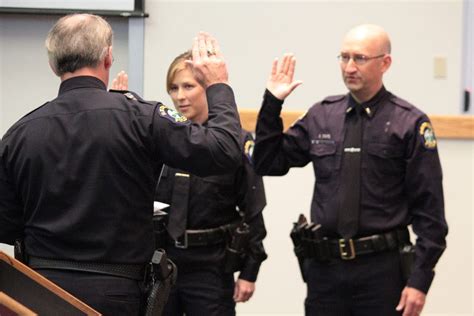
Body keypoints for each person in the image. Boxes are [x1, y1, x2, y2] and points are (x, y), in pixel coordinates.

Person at [0, 13, 243, 316]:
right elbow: (224, 150)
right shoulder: (140, 118)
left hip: (40, 291)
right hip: (117, 294)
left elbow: (7, 225)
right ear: (108, 57)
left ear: (53, 65)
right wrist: (218, 85)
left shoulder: (20, 133)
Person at [253, 24, 448, 316]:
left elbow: (430, 213)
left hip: (382, 271)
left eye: (359, 58)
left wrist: (420, 280)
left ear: (385, 63)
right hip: (325, 270)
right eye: (344, 57)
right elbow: (267, 162)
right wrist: (273, 102)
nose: (349, 67)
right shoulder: (322, 115)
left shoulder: (408, 124)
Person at [115, 50, 268, 316]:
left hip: (211, 266)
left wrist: (249, 271)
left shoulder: (235, 143)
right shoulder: (161, 137)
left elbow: (253, 210)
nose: (179, 96)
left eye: (188, 86)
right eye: (173, 88)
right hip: (162, 262)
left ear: (208, 88)